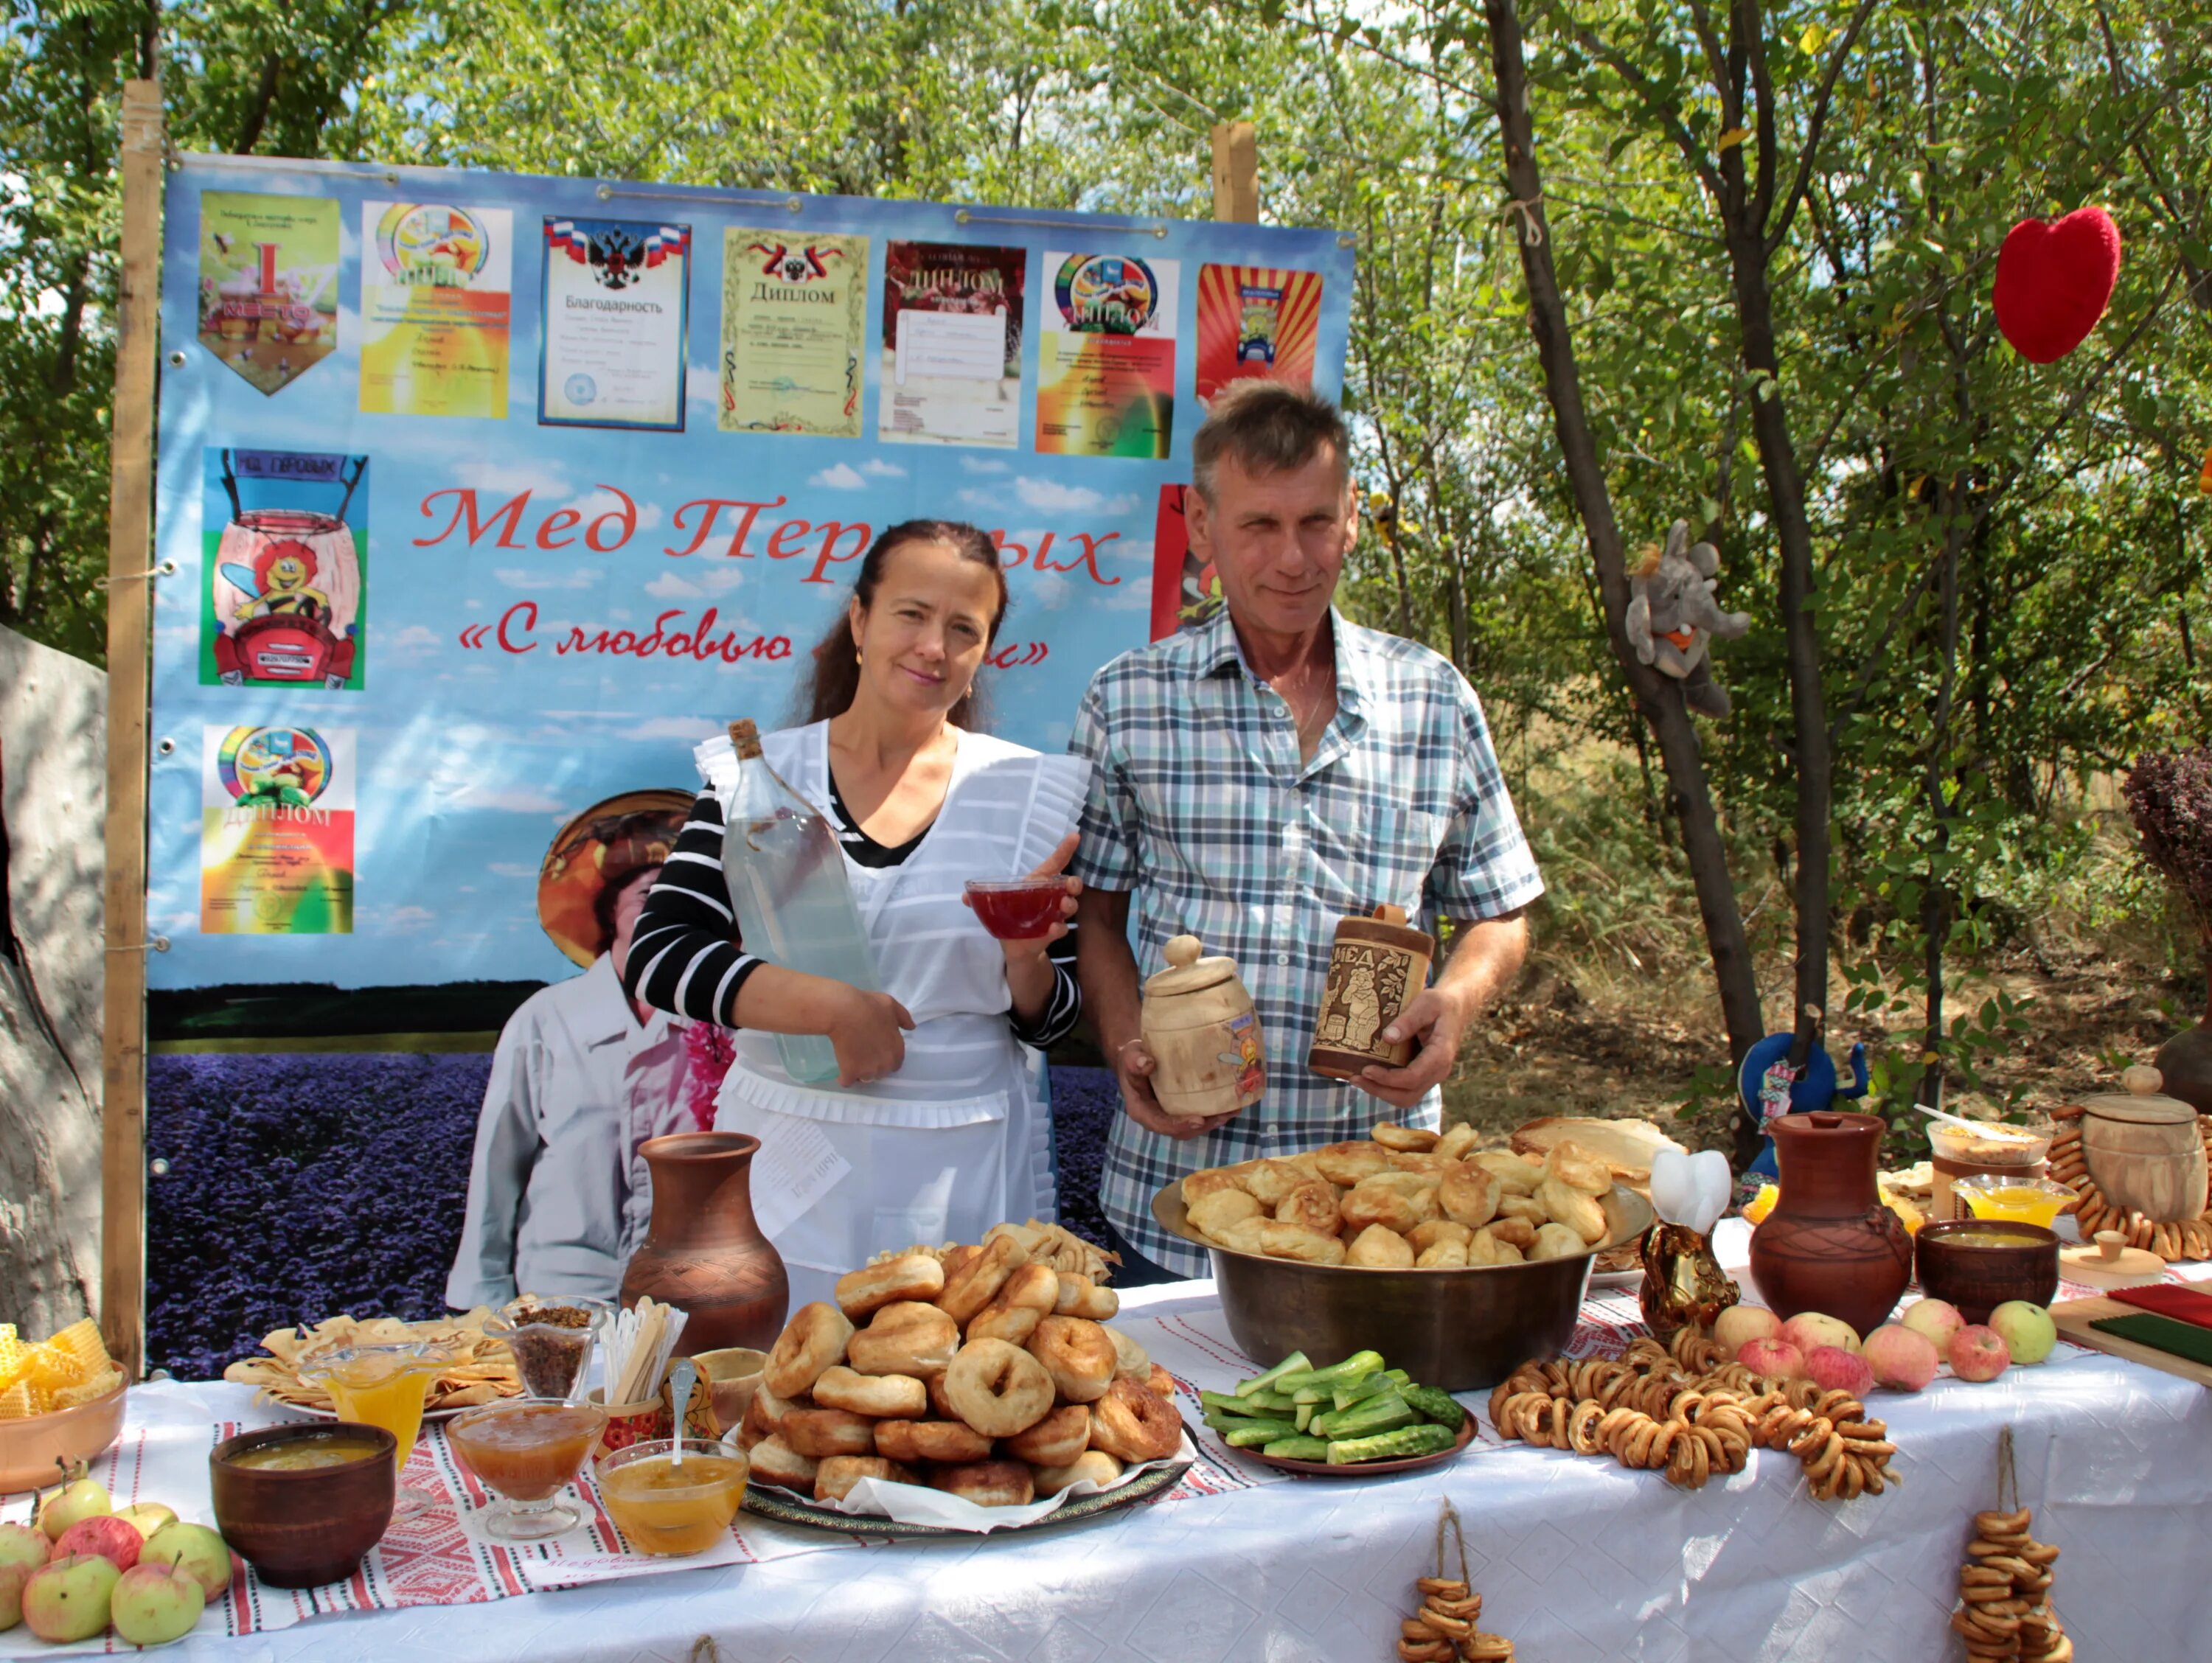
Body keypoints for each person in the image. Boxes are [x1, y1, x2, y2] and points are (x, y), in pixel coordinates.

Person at [1069, 383, 1545, 1280]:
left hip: (1383, 1207)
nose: (1292, 559)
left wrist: (1456, 1004)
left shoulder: (1431, 699)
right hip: (1181, 1196)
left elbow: (1501, 911)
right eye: (1258, 526)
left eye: (1316, 523)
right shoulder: (1128, 700)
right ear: (1201, 526)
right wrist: (1128, 1044)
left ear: (1352, 519)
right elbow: (1095, 917)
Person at [625, 519, 1088, 1310]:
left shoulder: (1029, 797)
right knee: (778, 1380)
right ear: (860, 621)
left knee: (944, 1400)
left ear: (982, 657)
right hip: (789, 1161)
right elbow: (662, 953)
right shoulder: (755, 779)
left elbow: (1052, 1022)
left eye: (963, 630)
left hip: (962, 1167)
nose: (933, 647)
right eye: (911, 614)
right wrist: (833, 1007)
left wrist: (1025, 959)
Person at [447, 798, 709, 1308]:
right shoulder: (545, 1019)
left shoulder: (725, 1025)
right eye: (648, 896)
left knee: (681, 1392)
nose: (666, 912)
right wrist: (481, 1297)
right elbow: (498, 1165)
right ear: (610, 911)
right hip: (561, 1293)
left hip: (688, 1294)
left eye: (685, 897)